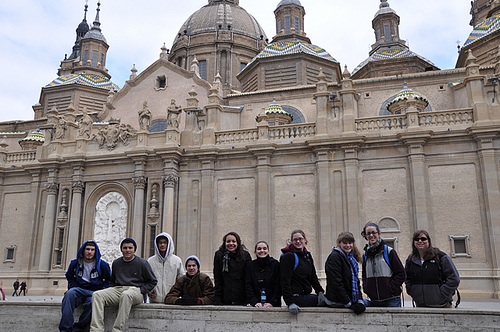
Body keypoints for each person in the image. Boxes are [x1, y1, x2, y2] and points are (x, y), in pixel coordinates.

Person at [90, 238, 157, 332]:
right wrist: (111, 292)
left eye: (130, 248)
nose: (127, 250)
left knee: (126, 295)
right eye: (125, 248)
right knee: (97, 295)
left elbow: (153, 281)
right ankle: (96, 329)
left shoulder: (142, 263)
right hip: (118, 289)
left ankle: (117, 330)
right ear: (121, 249)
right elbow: (112, 280)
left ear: (134, 249)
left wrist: (142, 290)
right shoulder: (116, 263)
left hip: (136, 291)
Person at [59, 240, 111, 332]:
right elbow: (69, 276)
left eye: (92, 250)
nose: (89, 252)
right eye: (87, 249)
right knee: (69, 294)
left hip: (94, 292)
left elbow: (109, 279)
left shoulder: (102, 265)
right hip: (79, 290)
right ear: (83, 251)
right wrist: (74, 286)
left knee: (93, 302)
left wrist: (102, 291)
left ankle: (79, 328)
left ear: (95, 252)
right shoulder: (75, 263)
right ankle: (65, 328)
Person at [405, 230, 460, 308]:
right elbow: (407, 278)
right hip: (420, 304)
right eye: (416, 239)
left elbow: (454, 278)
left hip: (441, 304)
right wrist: (413, 292)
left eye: (423, 239)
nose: (420, 241)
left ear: (429, 241)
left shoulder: (441, 257)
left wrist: (442, 294)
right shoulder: (411, 259)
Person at [280, 229, 325, 314]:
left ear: (305, 240)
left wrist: (320, 292)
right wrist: (290, 303)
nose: (298, 241)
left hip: (305, 295)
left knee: (327, 299)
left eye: (300, 239)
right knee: (328, 301)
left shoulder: (307, 255)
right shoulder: (288, 256)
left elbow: (313, 277)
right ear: (292, 242)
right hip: (295, 297)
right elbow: (285, 281)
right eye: (295, 239)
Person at [361, 222, 405, 307]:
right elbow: (364, 276)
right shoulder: (365, 255)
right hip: (374, 299)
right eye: (368, 233)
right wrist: (367, 288)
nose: (371, 235)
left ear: (379, 234)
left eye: (374, 232)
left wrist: (391, 288)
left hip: (391, 299)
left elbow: (401, 273)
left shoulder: (389, 251)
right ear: (366, 236)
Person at [325, 232, 366, 314]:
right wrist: (348, 304)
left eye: (350, 243)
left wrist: (360, 300)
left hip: (349, 299)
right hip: (338, 301)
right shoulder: (334, 257)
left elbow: (356, 281)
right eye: (345, 243)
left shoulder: (351, 258)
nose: (348, 245)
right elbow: (336, 283)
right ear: (339, 243)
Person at [213, 232, 251, 305]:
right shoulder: (219, 255)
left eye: (234, 241)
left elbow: (248, 278)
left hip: (242, 297)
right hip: (225, 297)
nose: (231, 244)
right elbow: (218, 277)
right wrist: (217, 298)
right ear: (224, 243)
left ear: (238, 243)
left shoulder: (245, 255)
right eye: (228, 241)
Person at [147, 232, 184, 303]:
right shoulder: (150, 261)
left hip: (172, 301)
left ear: (169, 244)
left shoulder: (176, 260)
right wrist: (149, 292)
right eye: (160, 243)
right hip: (155, 301)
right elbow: (146, 279)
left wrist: (178, 294)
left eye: (164, 242)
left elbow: (181, 280)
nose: (162, 245)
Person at [245, 241, 281, 308]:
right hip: (256, 304)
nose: (262, 250)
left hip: (273, 304)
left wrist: (272, 302)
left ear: (268, 251)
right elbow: (248, 284)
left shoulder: (275, 264)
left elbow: (278, 285)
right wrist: (254, 302)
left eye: (264, 248)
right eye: (259, 249)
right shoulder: (250, 265)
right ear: (255, 252)